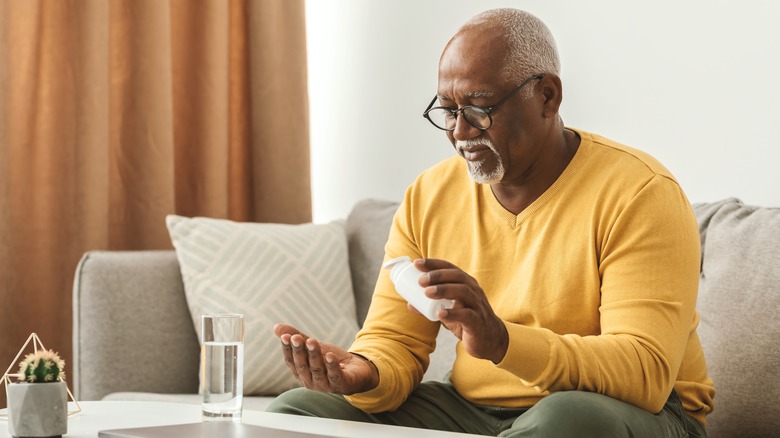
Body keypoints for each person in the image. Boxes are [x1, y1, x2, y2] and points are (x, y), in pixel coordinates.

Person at [267, 8, 715, 437]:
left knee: (568, 418)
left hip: (633, 413)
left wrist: (502, 342)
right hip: (475, 410)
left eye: (480, 107)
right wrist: (362, 373)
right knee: (299, 413)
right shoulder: (430, 194)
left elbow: (644, 372)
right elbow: (395, 339)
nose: (460, 131)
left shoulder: (639, 191)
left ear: (547, 96)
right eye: (448, 110)